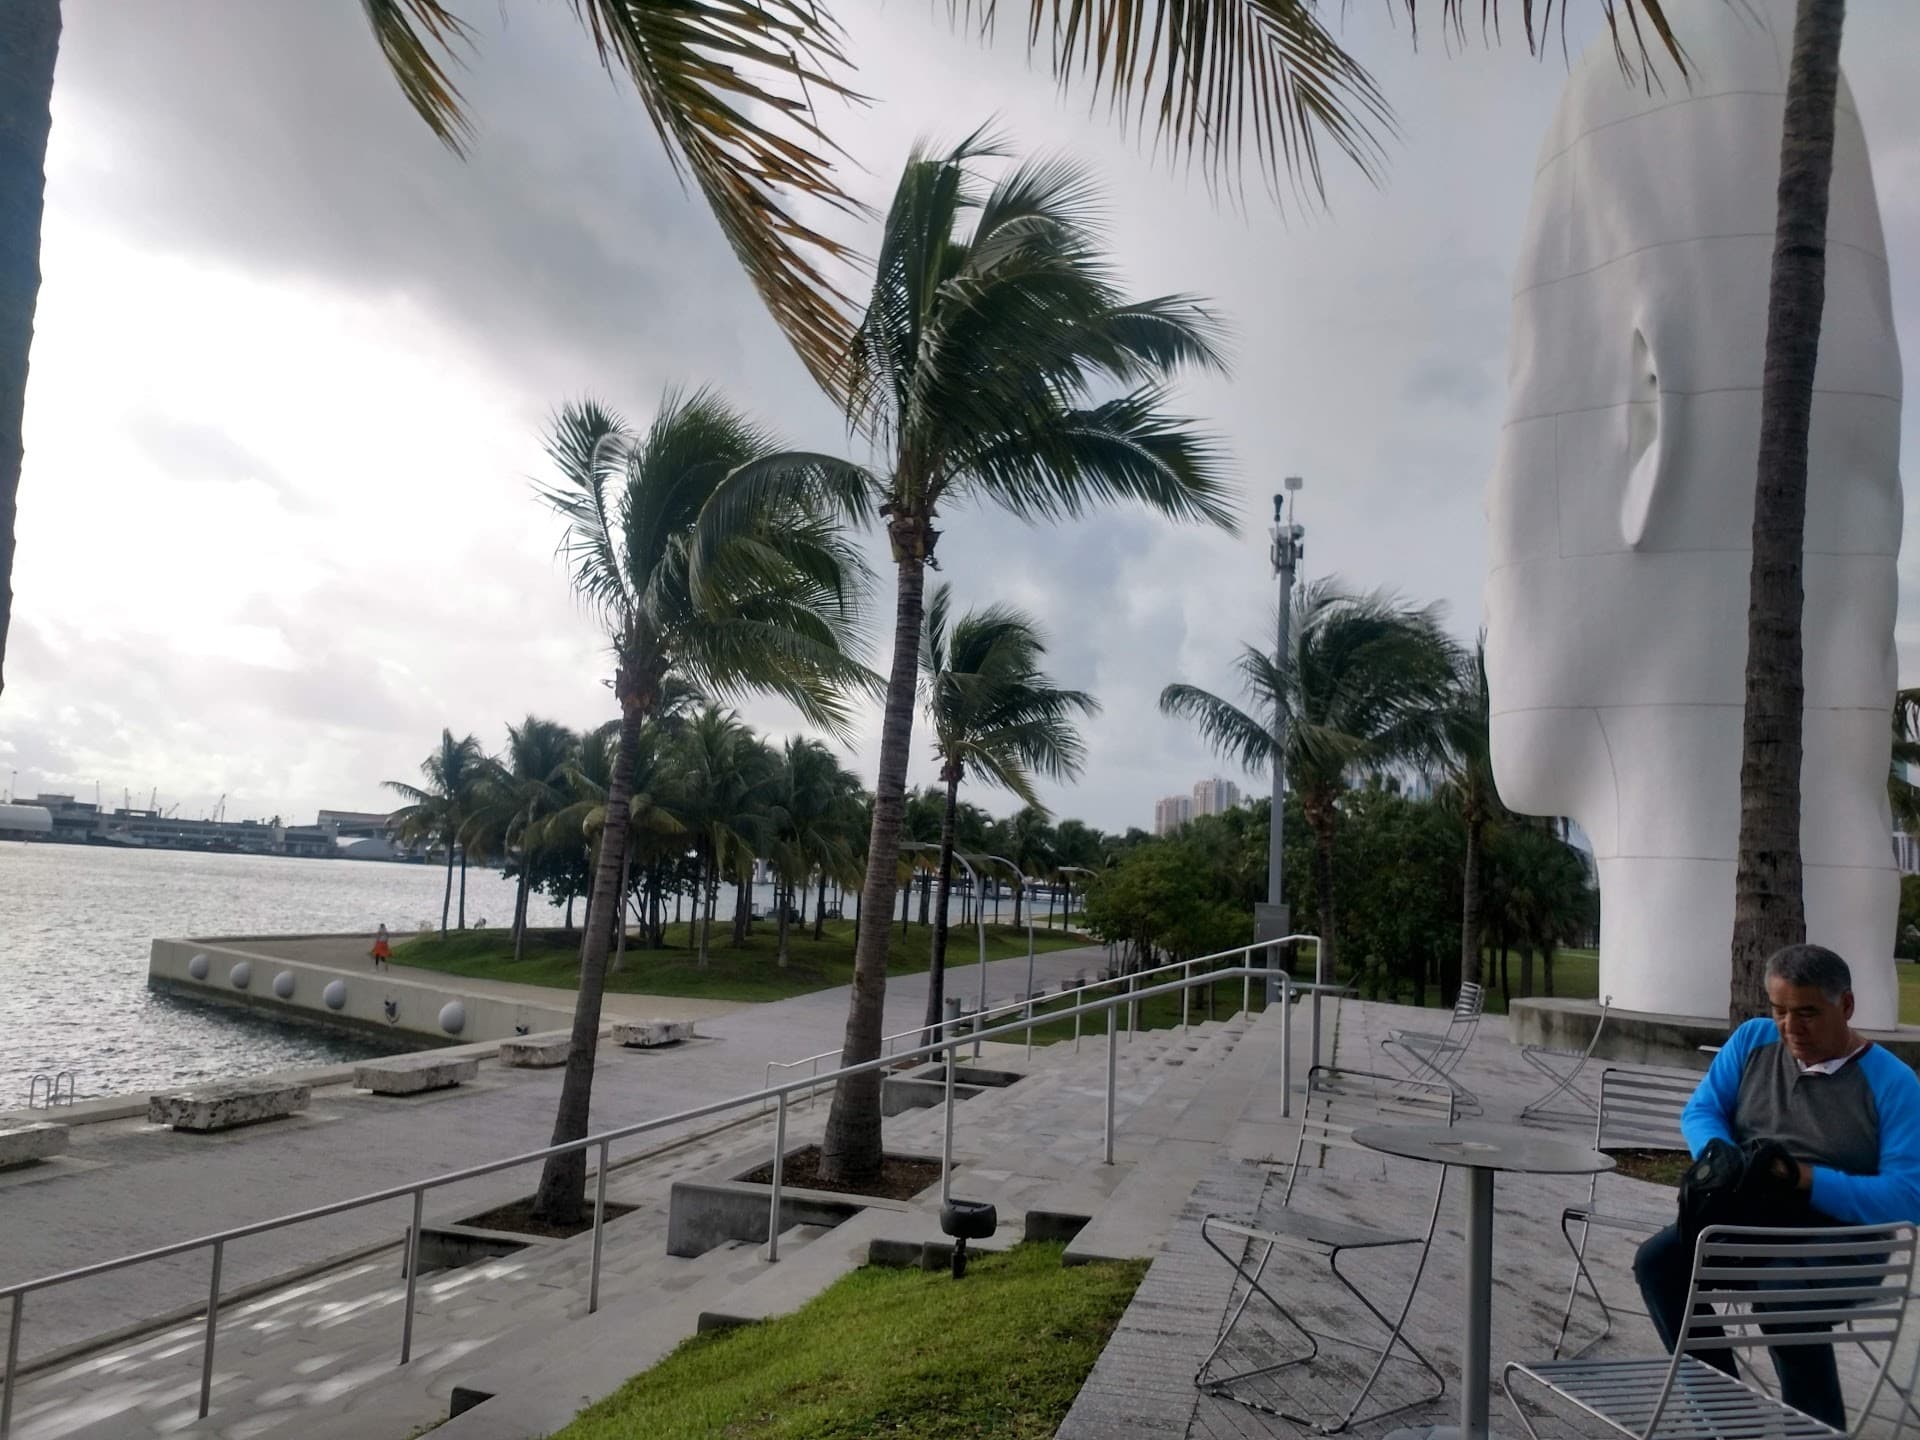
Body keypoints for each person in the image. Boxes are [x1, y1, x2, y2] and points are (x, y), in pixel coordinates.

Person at [1633, 945, 1920, 1428]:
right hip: (1752, 1208)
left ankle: (1815, 1429)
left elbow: (1908, 1196)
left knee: (1781, 1293)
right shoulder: (1753, 1041)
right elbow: (1701, 1112)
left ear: (1845, 1007)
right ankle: (1723, 1419)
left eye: (1807, 1012)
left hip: (1844, 1236)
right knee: (1658, 1263)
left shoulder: (1894, 1083)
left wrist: (1804, 1179)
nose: (1790, 1027)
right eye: (1780, 1010)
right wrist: (1726, 1159)